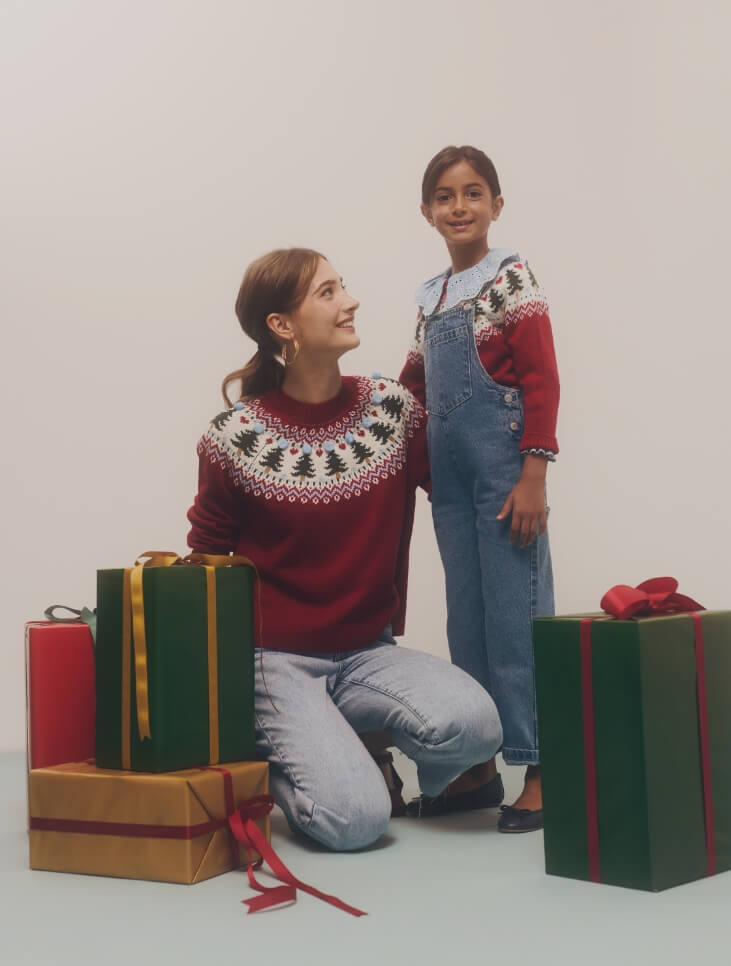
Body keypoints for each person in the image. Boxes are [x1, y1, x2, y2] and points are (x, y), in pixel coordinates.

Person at [187, 247, 502, 851]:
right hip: (272, 662)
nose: (350, 300)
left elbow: (455, 490)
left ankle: (348, 740)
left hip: (366, 654)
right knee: (356, 821)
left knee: (477, 724)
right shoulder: (232, 438)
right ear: (282, 325)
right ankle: (275, 759)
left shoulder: (393, 411)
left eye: (343, 286)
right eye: (327, 293)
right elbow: (206, 558)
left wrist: (527, 462)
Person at [399, 146, 560, 833]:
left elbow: (540, 379)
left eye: (472, 193)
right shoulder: (430, 297)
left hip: (502, 474)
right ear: (426, 211)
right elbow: (413, 392)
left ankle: (542, 767)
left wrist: (532, 473)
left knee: (514, 619)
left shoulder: (509, 278)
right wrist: (418, 469)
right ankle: (476, 765)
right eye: (443, 195)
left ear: (496, 204)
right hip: (453, 486)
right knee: (465, 620)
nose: (458, 206)